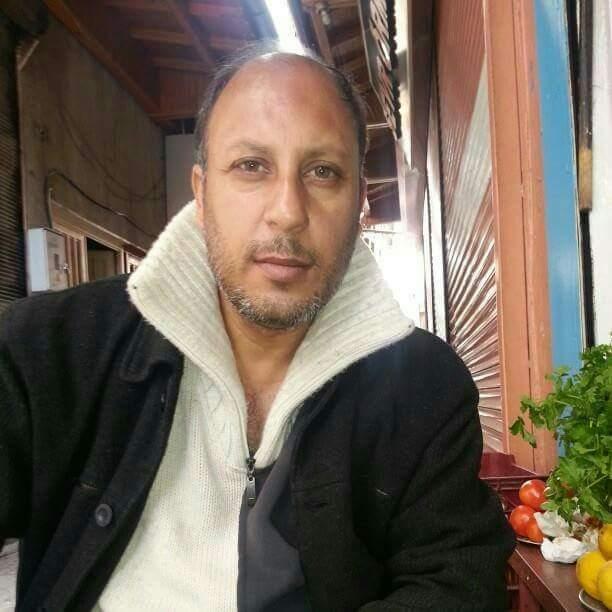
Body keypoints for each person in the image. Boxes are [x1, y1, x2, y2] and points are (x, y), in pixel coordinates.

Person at [0, 42, 515, 611]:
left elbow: (459, 581)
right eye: (251, 166)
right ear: (201, 193)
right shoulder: (51, 349)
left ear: (359, 203)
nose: (288, 211)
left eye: (323, 171)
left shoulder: (424, 386)